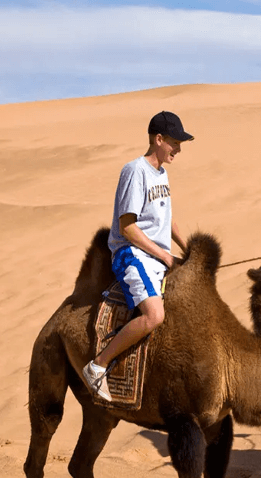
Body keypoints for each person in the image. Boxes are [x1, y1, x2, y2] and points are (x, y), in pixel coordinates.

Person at [82, 111, 193, 401]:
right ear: (158, 140)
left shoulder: (161, 174)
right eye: (174, 142)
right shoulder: (135, 171)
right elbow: (127, 227)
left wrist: (187, 248)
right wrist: (166, 257)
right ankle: (98, 366)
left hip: (154, 254)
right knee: (155, 315)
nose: (178, 148)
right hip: (131, 254)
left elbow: (166, 218)